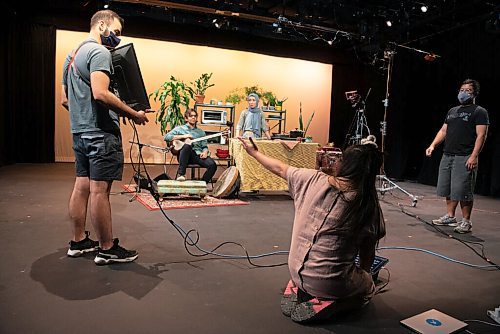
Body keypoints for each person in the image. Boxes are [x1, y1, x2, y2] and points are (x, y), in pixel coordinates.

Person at [238, 135, 385, 323]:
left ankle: (300, 286)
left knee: (315, 271)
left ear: (343, 164)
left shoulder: (312, 179)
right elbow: (367, 255)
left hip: (294, 269)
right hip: (330, 283)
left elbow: (279, 168)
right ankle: (334, 301)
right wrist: (365, 276)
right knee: (367, 287)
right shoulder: (366, 205)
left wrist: (254, 152)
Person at [61, 10, 149, 265]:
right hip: (100, 134)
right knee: (100, 191)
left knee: (82, 187)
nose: (118, 39)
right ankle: (107, 249)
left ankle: (78, 242)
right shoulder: (99, 52)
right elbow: (100, 93)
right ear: (102, 25)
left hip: (79, 132)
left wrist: (87, 112)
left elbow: (65, 100)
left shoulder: (70, 57)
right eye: (117, 32)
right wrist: (132, 113)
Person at [425, 79, 489, 234]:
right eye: (462, 89)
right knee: (448, 188)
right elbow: (443, 131)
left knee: (463, 190)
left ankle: (466, 221)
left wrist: (474, 156)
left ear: (475, 93)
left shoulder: (479, 111)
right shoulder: (453, 111)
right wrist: (433, 145)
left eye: (467, 90)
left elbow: (482, 135)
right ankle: (450, 216)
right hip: (448, 155)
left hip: (465, 156)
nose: (463, 93)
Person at [164, 108, 217, 183]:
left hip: (197, 155)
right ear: (186, 118)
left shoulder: (201, 132)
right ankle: (182, 174)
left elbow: (204, 146)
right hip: (184, 156)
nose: (193, 118)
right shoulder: (179, 129)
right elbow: (166, 137)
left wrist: (205, 152)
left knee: (212, 165)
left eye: (195, 116)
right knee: (187, 146)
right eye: (191, 116)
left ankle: (202, 184)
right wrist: (184, 136)